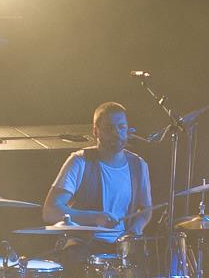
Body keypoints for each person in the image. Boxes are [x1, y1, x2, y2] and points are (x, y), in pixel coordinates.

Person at [43, 101, 153, 243]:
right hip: (83, 247)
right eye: (108, 128)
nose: (116, 133)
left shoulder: (138, 165)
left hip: (122, 249)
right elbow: (50, 211)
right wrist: (94, 217)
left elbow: (146, 209)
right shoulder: (79, 161)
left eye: (121, 127)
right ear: (95, 131)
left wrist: (135, 230)